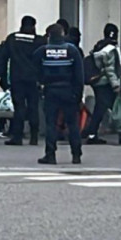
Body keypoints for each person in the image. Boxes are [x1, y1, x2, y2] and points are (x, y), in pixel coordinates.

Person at [34, 24, 84, 165]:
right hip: (69, 91)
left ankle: (50, 155)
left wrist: (41, 84)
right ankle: (76, 155)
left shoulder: (42, 51)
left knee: (51, 124)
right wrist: (78, 95)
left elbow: (35, 70)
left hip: (50, 91)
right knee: (72, 123)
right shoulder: (72, 51)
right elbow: (79, 75)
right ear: (62, 35)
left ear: (49, 36)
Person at [4, 16, 46, 146]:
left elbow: (4, 56)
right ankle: (34, 136)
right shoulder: (39, 41)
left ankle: (17, 136)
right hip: (34, 79)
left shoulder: (12, 39)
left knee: (19, 107)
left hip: (17, 78)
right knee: (33, 107)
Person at [83, 23, 121, 145]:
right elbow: (110, 69)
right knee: (101, 108)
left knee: (101, 107)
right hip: (105, 83)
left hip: (97, 82)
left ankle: (92, 132)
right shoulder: (110, 49)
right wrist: (115, 84)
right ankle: (92, 133)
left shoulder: (99, 46)